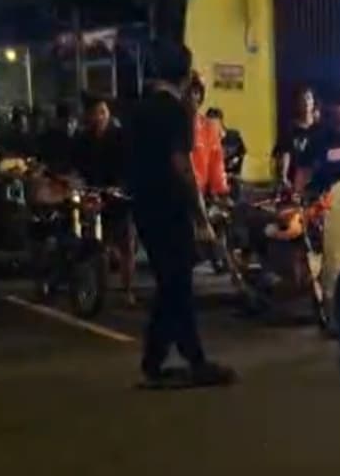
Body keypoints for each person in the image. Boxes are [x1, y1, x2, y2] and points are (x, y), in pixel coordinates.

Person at [131, 40, 235, 386]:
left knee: (171, 285)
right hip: (170, 208)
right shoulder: (173, 111)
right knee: (177, 285)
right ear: (185, 73)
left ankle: (158, 360)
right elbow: (182, 165)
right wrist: (200, 217)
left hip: (144, 207)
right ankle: (192, 360)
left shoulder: (140, 109)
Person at [69, 94, 137, 306]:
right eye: (95, 113)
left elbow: (130, 165)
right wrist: (75, 180)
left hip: (118, 196)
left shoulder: (120, 137)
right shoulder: (82, 139)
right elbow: (75, 166)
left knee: (126, 244)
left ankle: (127, 289)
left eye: (103, 112)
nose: (99, 117)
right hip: (92, 194)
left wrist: (121, 186)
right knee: (91, 240)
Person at [186, 72, 230, 199]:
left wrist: (221, 192)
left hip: (200, 197)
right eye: (187, 93)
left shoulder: (209, 128)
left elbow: (217, 167)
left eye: (196, 92)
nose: (193, 97)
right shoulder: (169, 125)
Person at [273, 85, 315, 191]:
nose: (306, 102)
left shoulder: (320, 126)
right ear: (297, 103)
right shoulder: (290, 128)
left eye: (308, 98)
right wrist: (284, 176)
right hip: (295, 179)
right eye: (302, 99)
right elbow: (286, 152)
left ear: (313, 101)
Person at [206, 107, 246, 185]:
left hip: (233, 181)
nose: (211, 127)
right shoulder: (206, 142)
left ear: (220, 121)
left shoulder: (234, 137)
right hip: (215, 183)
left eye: (213, 123)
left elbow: (242, 155)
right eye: (208, 124)